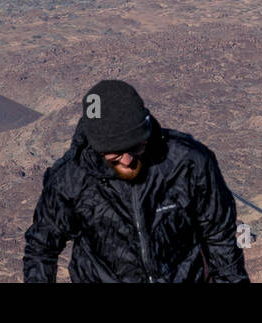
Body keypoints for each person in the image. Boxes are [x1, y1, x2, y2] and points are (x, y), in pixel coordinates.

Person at [23, 79, 249, 282]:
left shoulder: (188, 163)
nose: (129, 160)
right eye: (116, 154)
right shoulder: (70, 179)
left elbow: (220, 237)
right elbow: (41, 249)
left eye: (136, 146)